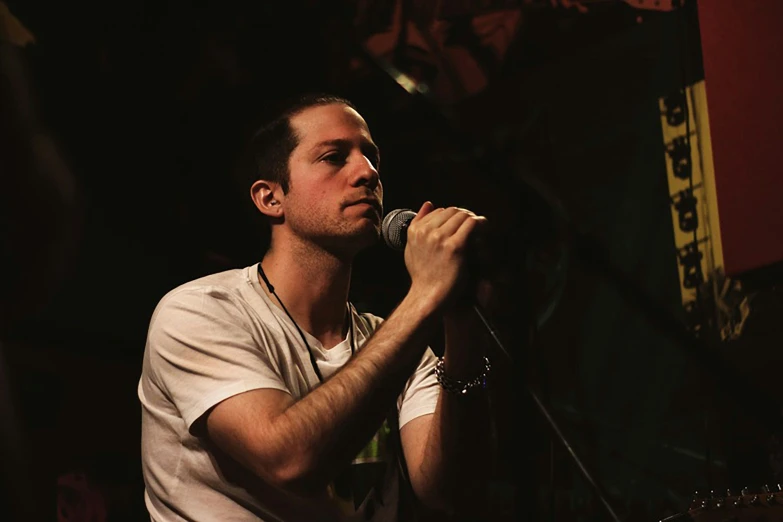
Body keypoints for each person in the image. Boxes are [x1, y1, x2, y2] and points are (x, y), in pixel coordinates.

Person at [138, 92, 496, 521]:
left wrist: (461, 322)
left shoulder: (398, 340)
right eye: (333, 157)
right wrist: (426, 297)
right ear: (271, 198)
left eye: (371, 157)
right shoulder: (198, 312)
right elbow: (288, 460)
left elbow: (447, 490)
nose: (367, 172)